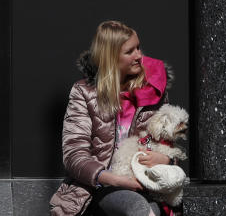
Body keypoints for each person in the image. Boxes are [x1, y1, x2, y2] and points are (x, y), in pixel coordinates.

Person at [49, 21, 179, 216]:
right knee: (137, 207)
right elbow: (74, 155)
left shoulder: (153, 91)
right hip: (96, 188)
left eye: (138, 47)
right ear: (110, 57)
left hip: (147, 185)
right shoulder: (84, 93)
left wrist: (167, 160)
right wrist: (114, 179)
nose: (139, 56)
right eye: (130, 51)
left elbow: (169, 145)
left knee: (149, 209)